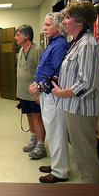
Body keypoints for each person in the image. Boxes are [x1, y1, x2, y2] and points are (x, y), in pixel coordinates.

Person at [51, 0, 99, 184]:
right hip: (73, 108)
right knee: (81, 156)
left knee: (86, 157)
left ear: (79, 21)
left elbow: (86, 83)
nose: (63, 22)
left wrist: (61, 92)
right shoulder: (76, 42)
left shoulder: (88, 44)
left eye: (67, 17)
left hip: (81, 110)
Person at [29, 13, 70, 183]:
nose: (44, 28)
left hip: (54, 95)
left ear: (59, 27)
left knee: (56, 132)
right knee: (52, 131)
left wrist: (38, 87)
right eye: (45, 25)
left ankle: (60, 172)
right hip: (47, 95)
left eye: (48, 25)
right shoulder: (52, 44)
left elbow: (57, 75)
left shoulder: (59, 45)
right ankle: (56, 164)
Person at [15, 24, 46, 159]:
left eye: (18, 35)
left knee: (37, 117)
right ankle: (33, 140)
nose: (15, 38)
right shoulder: (21, 50)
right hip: (23, 92)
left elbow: (44, 72)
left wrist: (40, 93)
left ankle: (40, 146)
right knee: (28, 115)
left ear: (26, 36)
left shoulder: (38, 50)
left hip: (35, 92)